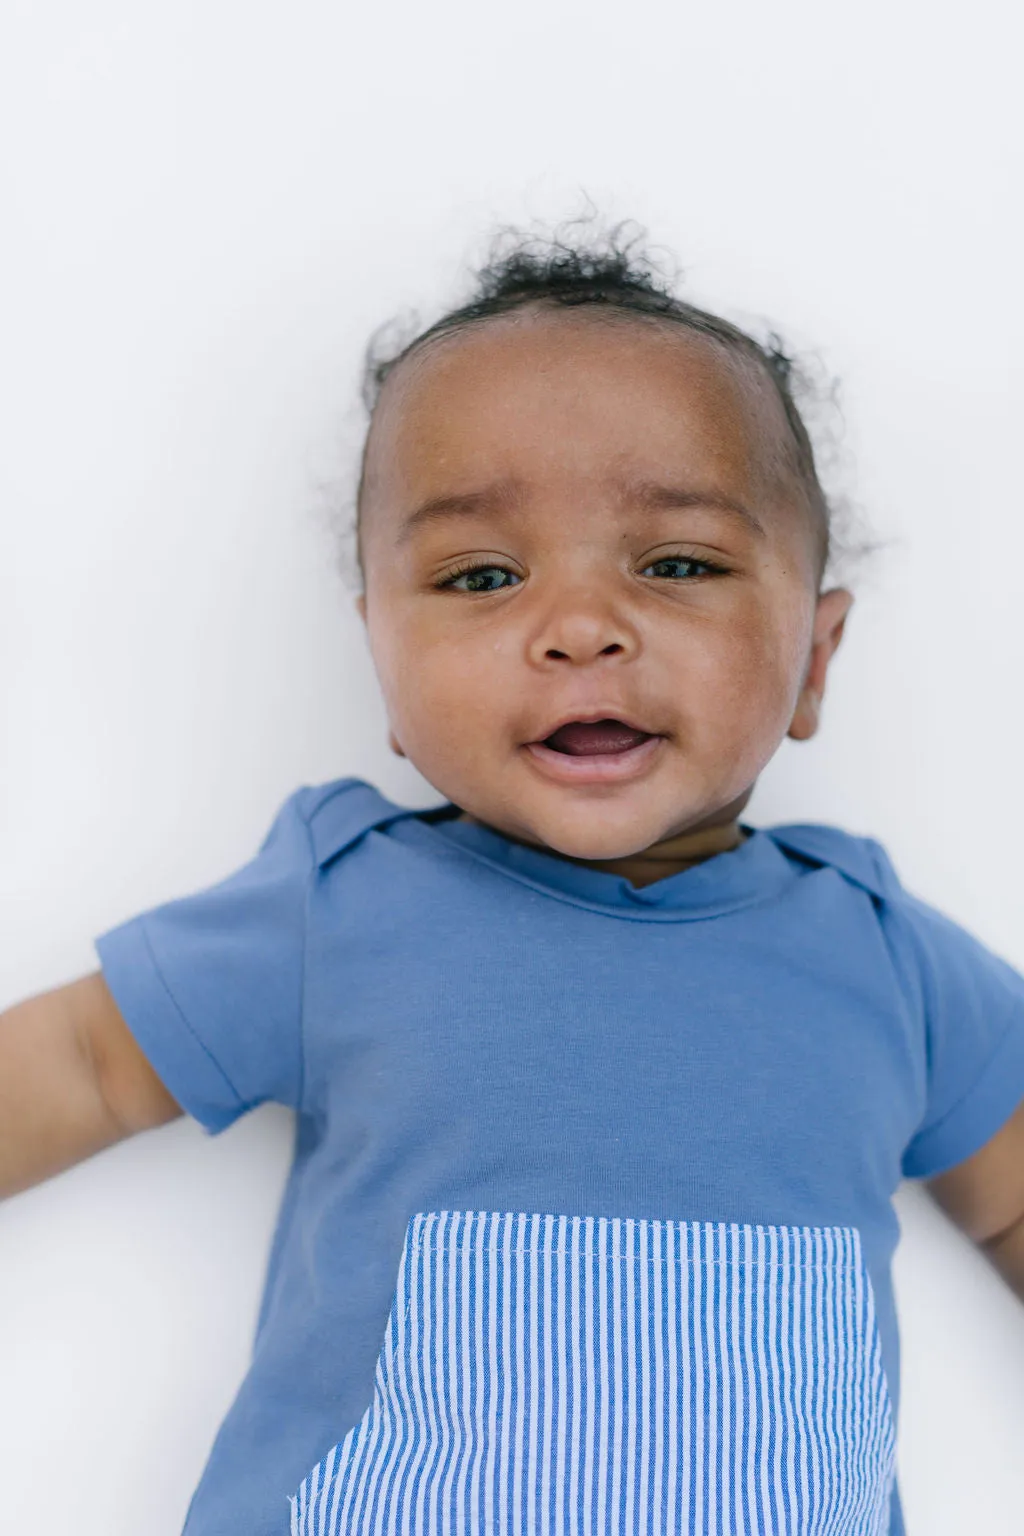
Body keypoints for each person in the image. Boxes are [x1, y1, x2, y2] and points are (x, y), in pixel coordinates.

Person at [3, 215, 1024, 1536]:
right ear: (382, 658)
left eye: (677, 564)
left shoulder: (892, 963)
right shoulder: (343, 909)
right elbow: (82, 1062)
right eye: (482, 575)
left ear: (815, 659)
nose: (581, 628)